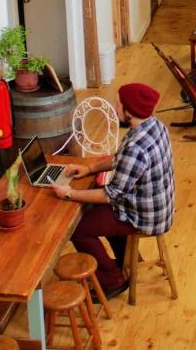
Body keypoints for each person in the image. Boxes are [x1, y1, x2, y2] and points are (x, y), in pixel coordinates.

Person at [52, 83, 175, 298]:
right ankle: (126, 258)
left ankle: (112, 279)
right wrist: (89, 168)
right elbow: (120, 160)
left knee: (77, 227)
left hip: (145, 217)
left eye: (119, 105)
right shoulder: (154, 126)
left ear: (130, 112)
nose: (115, 108)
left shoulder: (136, 148)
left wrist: (69, 193)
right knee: (96, 210)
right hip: (157, 207)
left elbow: (110, 195)